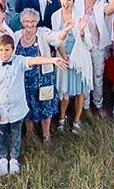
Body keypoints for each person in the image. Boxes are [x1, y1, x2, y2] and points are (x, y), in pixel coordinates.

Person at [0, 34, 67, 176]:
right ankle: (3, 158)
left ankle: (14, 158)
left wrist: (52, 60)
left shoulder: (19, 61)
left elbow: (35, 60)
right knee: (2, 135)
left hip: (17, 109)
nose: (4, 53)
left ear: (13, 49)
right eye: (1, 50)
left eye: (7, 50)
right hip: (1, 110)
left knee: (16, 134)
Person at [15, 8, 67, 142]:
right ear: (22, 22)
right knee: (27, 106)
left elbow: (56, 39)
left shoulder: (43, 33)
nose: (29, 24)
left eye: (32, 21)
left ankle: (46, 134)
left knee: (45, 107)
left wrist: (65, 31)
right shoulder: (16, 36)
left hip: (43, 78)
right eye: (26, 21)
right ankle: (30, 133)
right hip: (24, 81)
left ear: (37, 22)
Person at [51, 0, 92, 133]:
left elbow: (87, 41)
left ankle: (77, 120)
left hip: (79, 57)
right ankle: (62, 119)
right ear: (60, 0)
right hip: (63, 56)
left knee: (80, 90)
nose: (66, 2)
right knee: (64, 90)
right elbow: (56, 39)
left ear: (73, 1)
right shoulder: (55, 16)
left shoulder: (79, 16)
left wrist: (81, 31)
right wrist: (64, 57)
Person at [74, 0, 114, 116]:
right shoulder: (77, 4)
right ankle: (86, 106)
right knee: (85, 76)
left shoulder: (100, 3)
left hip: (97, 46)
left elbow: (112, 8)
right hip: (82, 45)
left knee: (98, 77)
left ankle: (98, 102)